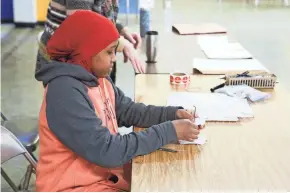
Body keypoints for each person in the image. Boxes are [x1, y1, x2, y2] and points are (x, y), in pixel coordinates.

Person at [35, 11, 202, 192]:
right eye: (109, 52)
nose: (114, 58)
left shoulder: (98, 78)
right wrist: (169, 131)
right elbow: (107, 150)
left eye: (115, 50)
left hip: (102, 179)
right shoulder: (64, 93)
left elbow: (129, 111)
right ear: (87, 50)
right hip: (73, 187)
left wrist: (172, 113)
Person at [36, 0, 144, 83]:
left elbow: (101, 10)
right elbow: (81, 27)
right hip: (63, 65)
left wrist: (121, 30)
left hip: (86, 63)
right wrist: (121, 43)